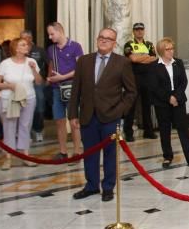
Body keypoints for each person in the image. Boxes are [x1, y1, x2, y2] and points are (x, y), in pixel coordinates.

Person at [69, 28, 137, 202]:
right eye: (101, 37)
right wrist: (72, 114)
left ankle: (108, 187)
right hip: (87, 115)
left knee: (110, 154)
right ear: (97, 39)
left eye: (109, 38)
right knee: (90, 153)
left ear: (114, 43)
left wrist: (120, 111)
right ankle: (91, 186)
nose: (104, 40)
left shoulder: (122, 63)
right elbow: (75, 89)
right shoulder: (84, 61)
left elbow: (131, 92)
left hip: (110, 117)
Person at [0, 38, 43, 170]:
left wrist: (34, 70)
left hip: (28, 97)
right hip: (9, 98)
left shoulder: (32, 62)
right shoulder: (6, 64)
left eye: (27, 44)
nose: (27, 46)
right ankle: (7, 158)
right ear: (16, 48)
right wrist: (9, 86)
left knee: (26, 126)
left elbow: (38, 81)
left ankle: (25, 155)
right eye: (23, 45)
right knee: (9, 127)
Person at [150, 37, 189, 168]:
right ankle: (167, 156)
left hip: (178, 101)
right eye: (168, 49)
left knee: (183, 129)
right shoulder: (154, 66)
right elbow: (154, 86)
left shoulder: (178, 63)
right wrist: (169, 98)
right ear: (161, 51)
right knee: (165, 130)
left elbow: (183, 82)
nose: (171, 51)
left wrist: (176, 97)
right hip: (162, 103)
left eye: (172, 48)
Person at [46, 22, 84, 160]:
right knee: (59, 121)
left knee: (74, 121)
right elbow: (51, 65)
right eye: (49, 34)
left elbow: (80, 68)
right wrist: (50, 77)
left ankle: (77, 151)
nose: (50, 37)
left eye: (52, 34)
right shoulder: (51, 49)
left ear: (60, 31)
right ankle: (62, 151)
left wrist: (63, 77)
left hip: (72, 88)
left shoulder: (75, 46)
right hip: (57, 89)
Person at [123, 22, 157, 141]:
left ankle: (148, 131)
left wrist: (139, 58)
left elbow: (153, 58)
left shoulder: (149, 44)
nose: (139, 31)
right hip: (133, 77)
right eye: (137, 30)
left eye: (141, 29)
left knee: (147, 105)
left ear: (144, 31)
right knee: (131, 105)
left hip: (147, 78)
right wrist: (144, 57)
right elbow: (132, 59)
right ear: (133, 31)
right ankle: (128, 133)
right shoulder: (129, 44)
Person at [21, 30, 48, 144]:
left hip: (37, 82)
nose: (22, 40)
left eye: (24, 38)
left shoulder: (39, 50)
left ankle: (38, 129)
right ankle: (26, 131)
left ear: (30, 38)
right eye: (21, 38)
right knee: (24, 107)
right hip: (23, 83)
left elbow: (48, 63)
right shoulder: (19, 49)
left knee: (39, 105)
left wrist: (47, 78)